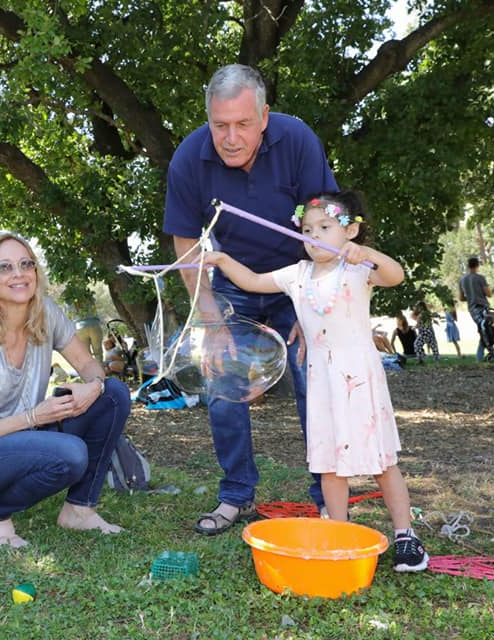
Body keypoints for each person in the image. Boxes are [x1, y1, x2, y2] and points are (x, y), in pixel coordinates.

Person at [203, 191, 429, 572]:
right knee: (328, 464)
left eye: (325, 227)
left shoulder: (356, 269)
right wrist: (223, 259)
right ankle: (339, 533)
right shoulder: (298, 274)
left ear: (351, 231)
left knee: (381, 460)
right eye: (307, 229)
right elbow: (255, 281)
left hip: (358, 378)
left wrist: (368, 255)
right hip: (321, 380)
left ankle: (406, 536)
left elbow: (396, 276)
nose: (314, 235)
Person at [163, 63, 337, 533]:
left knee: (312, 380)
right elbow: (186, 243)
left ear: (264, 116)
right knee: (223, 386)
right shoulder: (188, 158)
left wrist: (314, 302)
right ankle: (236, 496)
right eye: (220, 125)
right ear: (208, 119)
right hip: (231, 282)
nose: (231, 137)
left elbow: (327, 224)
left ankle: (328, 500)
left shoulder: (298, 140)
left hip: (297, 280)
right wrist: (211, 322)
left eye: (243, 124)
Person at [0, 232, 130, 549]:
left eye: (26, 264)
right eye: (6, 267)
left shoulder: (45, 313)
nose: (19, 273)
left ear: (36, 272)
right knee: (70, 454)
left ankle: (79, 509)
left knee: (114, 394)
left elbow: (89, 365)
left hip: (24, 431)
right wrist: (33, 416)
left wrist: (92, 387)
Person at [458, 257, 493, 362]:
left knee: (483, 331)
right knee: (486, 331)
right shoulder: (480, 278)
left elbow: (460, 297)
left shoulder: (462, 280)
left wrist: (470, 297)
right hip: (482, 307)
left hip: (472, 309)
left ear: (468, 266)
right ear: (477, 266)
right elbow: (488, 294)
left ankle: (490, 353)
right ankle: (481, 356)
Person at [71, 297, 104, 362]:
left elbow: (69, 315)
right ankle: (100, 370)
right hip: (94, 325)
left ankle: (91, 371)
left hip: (80, 328)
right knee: (98, 353)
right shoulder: (89, 297)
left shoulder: (69, 300)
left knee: (86, 354)